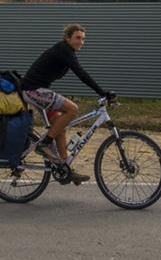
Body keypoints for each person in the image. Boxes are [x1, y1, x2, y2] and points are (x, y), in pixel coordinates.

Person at [20, 24, 116, 185]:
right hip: (32, 90)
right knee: (72, 109)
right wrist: (102, 93)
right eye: (78, 38)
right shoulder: (63, 50)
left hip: (38, 90)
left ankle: (64, 167)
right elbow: (81, 73)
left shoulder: (67, 51)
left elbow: (80, 72)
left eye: (83, 39)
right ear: (67, 38)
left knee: (60, 123)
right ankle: (44, 144)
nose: (81, 42)